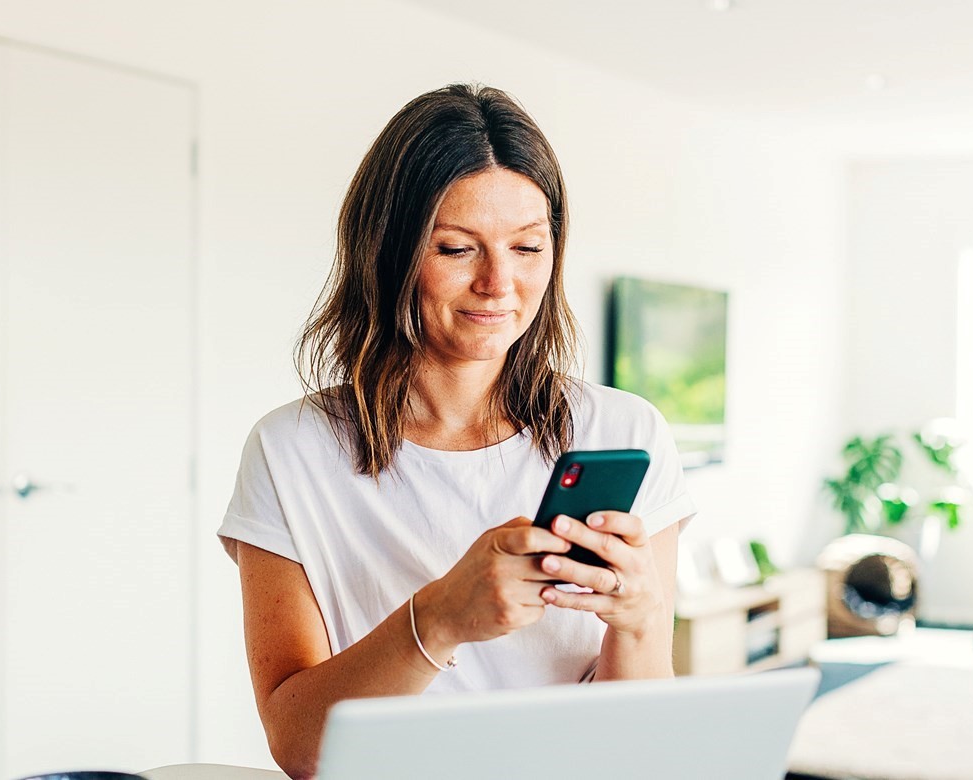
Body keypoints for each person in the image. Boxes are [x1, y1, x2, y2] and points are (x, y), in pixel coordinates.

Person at [217, 83, 694, 778]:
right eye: (456, 248)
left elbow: (638, 745)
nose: (499, 283)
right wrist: (440, 617)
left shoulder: (625, 429)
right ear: (388, 251)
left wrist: (641, 619)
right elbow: (298, 746)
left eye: (528, 247)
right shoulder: (291, 453)